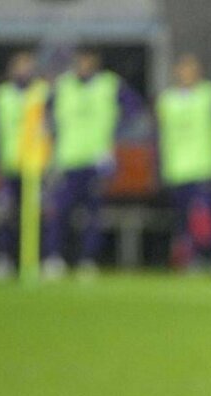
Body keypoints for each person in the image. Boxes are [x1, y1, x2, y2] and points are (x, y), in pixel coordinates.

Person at [42, 48, 143, 278]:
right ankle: (54, 258)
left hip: (97, 160)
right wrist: (52, 138)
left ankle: (87, 260)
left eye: (88, 62)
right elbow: (43, 113)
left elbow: (134, 107)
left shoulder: (109, 84)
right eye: (81, 61)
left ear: (96, 63)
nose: (84, 66)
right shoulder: (63, 85)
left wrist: (116, 133)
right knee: (59, 212)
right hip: (67, 160)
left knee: (93, 215)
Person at [157, 54, 211, 269]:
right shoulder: (167, 99)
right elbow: (159, 135)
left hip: (203, 166)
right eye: (184, 69)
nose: (188, 74)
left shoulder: (210, 94)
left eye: (192, 69)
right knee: (182, 218)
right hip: (177, 168)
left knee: (204, 215)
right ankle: (189, 258)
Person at [0, 51, 44, 279]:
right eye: (20, 67)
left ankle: (37, 260)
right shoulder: (2, 94)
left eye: (27, 67)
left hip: (34, 167)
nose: (24, 71)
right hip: (8, 165)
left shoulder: (42, 93)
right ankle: (2, 258)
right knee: (4, 213)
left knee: (33, 216)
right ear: (11, 70)